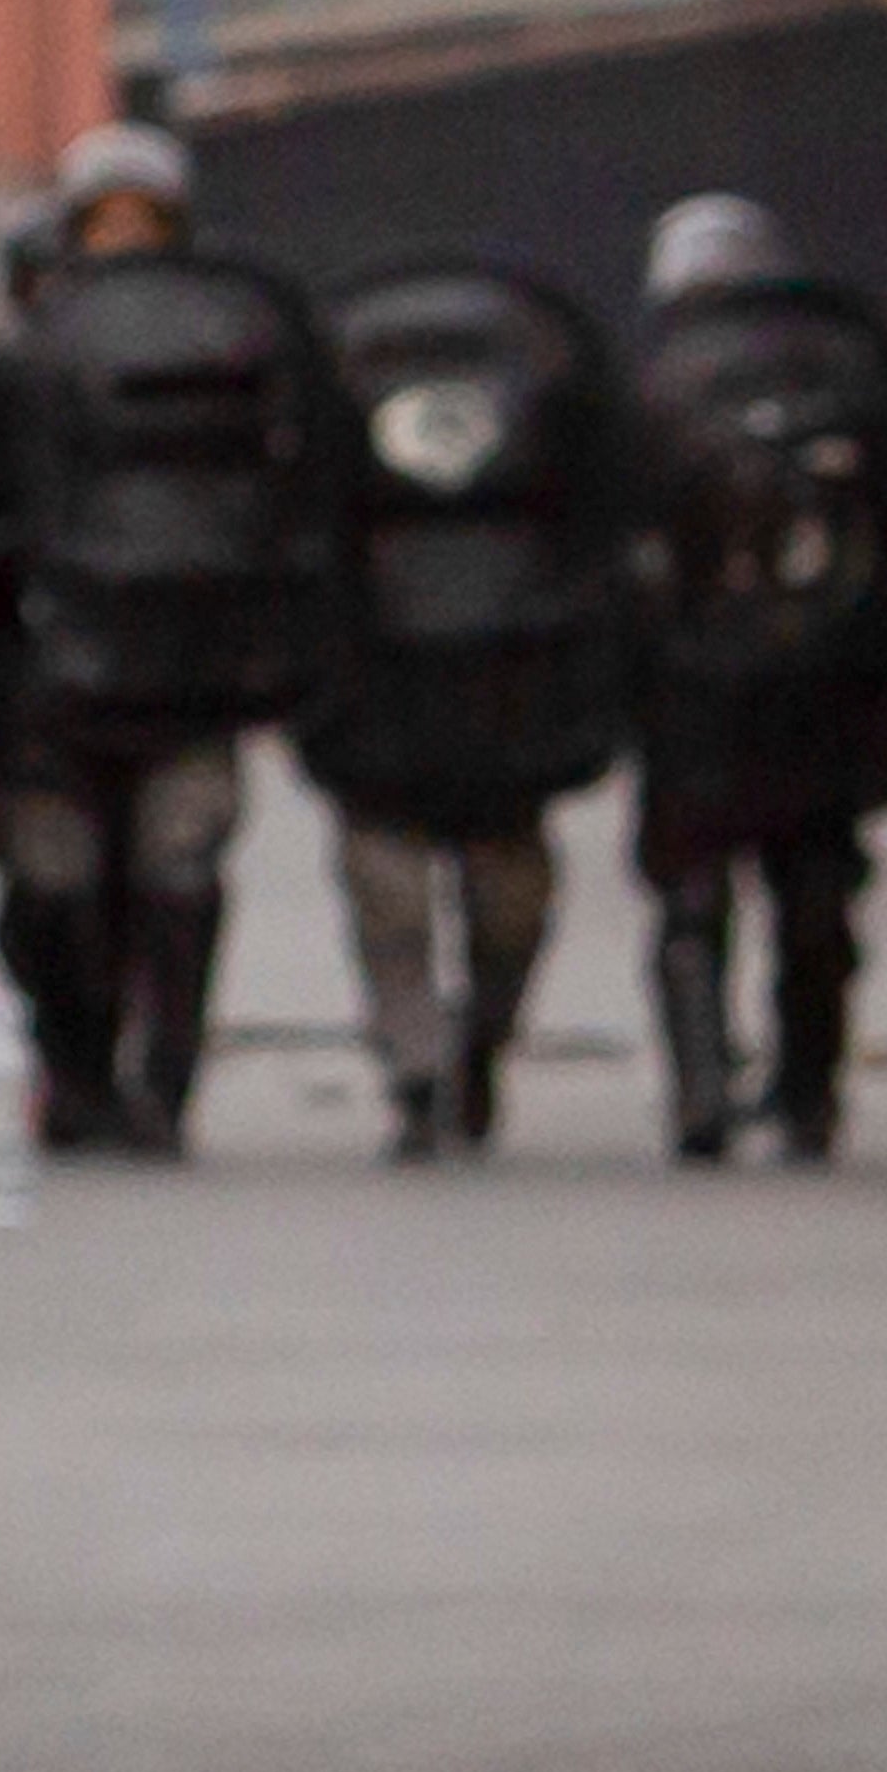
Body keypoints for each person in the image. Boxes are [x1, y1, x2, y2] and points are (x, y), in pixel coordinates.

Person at [0, 119, 344, 1156]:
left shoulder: (250, 348)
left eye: (144, 223)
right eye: (106, 223)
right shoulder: (27, 360)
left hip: (194, 671)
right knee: (54, 888)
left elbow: (306, 498)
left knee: (181, 880)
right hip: (51, 679)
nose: (125, 243)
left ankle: (166, 1073)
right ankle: (76, 1067)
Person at [619, 194, 887, 1163]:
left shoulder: (655, 371)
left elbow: (617, 531)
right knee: (814, 887)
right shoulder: (859, 357)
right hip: (830, 676)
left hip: (696, 683)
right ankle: (810, 1094)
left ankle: (701, 1088)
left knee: (689, 893)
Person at [296, 263, 629, 1161]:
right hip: (424, 703)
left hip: (464, 707)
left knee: (479, 904)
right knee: (415, 895)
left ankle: (464, 1051)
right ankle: (424, 1066)